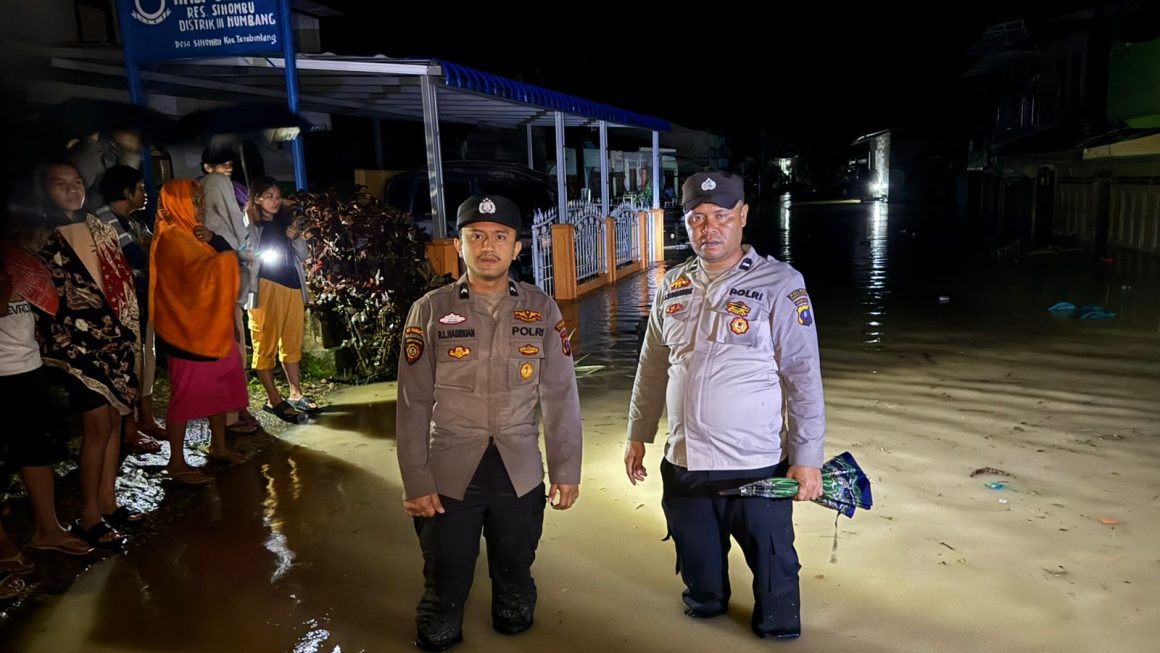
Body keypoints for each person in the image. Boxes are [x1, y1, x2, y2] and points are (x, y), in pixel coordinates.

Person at [623, 171, 825, 640]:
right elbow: (652, 368)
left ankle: (776, 631)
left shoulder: (781, 283)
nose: (708, 228)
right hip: (686, 462)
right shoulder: (671, 285)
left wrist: (807, 458)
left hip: (755, 465)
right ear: (686, 224)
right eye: (697, 218)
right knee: (702, 598)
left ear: (742, 216)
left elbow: (803, 377)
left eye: (720, 216)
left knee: (776, 595)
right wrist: (638, 434)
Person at [395, 195, 583, 651]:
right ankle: (441, 617)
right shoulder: (431, 309)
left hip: (519, 470)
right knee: (445, 578)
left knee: (516, 580)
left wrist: (566, 471)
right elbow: (412, 402)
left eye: (500, 237)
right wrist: (415, 480)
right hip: (449, 471)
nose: (487, 246)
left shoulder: (542, 309)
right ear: (458, 246)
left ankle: (513, 607)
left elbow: (560, 396)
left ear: (518, 247)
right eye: (475, 236)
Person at [29, 162, 142, 549]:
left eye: (76, 182)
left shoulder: (99, 228)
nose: (71, 190)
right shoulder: (35, 239)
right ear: (44, 190)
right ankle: (90, 513)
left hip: (113, 339)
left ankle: (107, 500)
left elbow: (122, 282)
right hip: (74, 347)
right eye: (60, 184)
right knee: (96, 425)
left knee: (112, 419)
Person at [150, 179, 251, 481]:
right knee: (185, 396)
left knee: (219, 390)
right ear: (178, 202)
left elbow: (224, 260)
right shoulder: (171, 239)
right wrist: (225, 257)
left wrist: (217, 241)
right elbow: (203, 276)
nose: (201, 206)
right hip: (186, 335)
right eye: (195, 200)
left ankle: (217, 445)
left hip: (212, 328)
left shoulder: (196, 234)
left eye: (201, 200)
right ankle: (177, 462)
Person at [95, 165, 166, 453]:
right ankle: (130, 429)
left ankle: (145, 419)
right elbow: (139, 257)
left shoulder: (131, 221)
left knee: (145, 359)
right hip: (120, 307)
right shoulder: (104, 220)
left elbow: (151, 251)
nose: (146, 194)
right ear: (126, 191)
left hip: (140, 300)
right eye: (140, 188)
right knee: (130, 366)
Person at [246, 177, 312, 423]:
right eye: (269, 196)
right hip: (265, 288)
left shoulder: (286, 223)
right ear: (257, 199)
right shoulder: (251, 224)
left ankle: (296, 392)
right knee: (265, 344)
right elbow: (243, 253)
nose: (274, 201)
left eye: (277, 196)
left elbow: (303, 256)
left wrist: (296, 237)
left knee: (292, 341)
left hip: (292, 286)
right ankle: (273, 398)